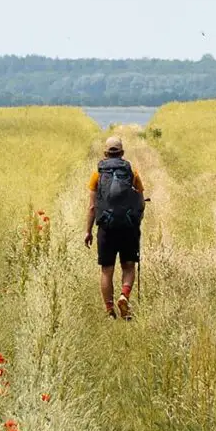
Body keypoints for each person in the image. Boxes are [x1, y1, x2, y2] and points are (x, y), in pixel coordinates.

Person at [84, 136, 146, 320]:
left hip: (106, 227)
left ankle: (110, 311)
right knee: (128, 266)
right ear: (122, 153)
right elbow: (141, 202)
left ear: (105, 153)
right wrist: (137, 220)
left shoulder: (97, 174)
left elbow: (92, 207)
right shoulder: (131, 172)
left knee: (106, 270)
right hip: (128, 227)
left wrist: (88, 231)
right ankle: (124, 296)